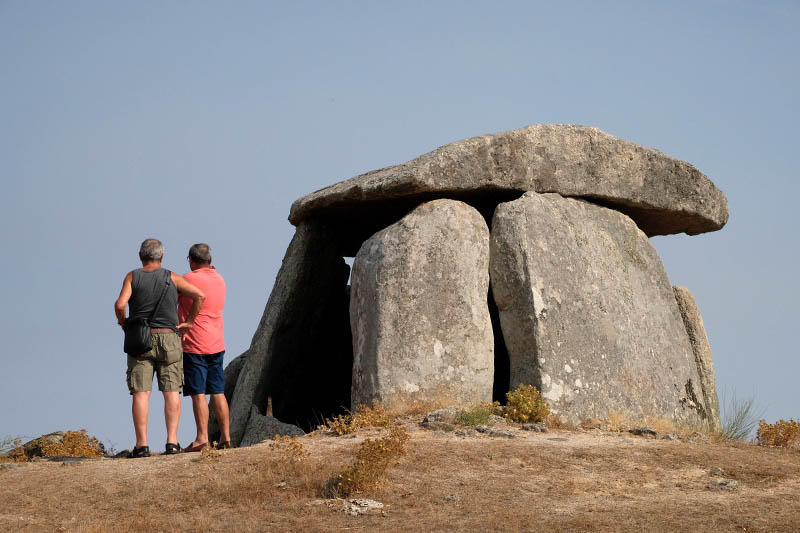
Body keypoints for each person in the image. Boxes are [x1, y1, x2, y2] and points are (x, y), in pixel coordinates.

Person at [114, 238, 206, 458]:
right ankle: (172, 442)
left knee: (140, 393)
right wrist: (190, 322)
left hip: (141, 340)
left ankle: (142, 445)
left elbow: (120, 304)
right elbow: (199, 296)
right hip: (169, 338)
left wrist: (124, 323)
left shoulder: (132, 276)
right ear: (162, 256)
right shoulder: (171, 277)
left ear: (140, 256)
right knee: (171, 391)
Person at [178, 243, 232, 452]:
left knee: (198, 392)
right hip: (217, 341)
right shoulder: (220, 279)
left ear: (191, 260)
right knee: (218, 391)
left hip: (194, 343)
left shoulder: (188, 279)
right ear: (210, 260)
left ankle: (202, 438)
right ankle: (226, 437)